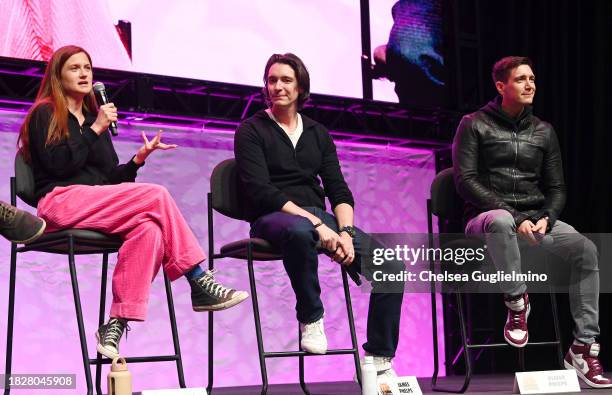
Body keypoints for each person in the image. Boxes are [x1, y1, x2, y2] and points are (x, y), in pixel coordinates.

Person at [17, 45, 248, 359]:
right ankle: (197, 278)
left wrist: (137, 161)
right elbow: (59, 166)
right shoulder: (46, 112)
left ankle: (116, 321)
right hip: (60, 204)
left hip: (94, 204)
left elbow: (110, 180)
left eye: (87, 67)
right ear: (58, 76)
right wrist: (96, 128)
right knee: (156, 195)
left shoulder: (91, 115)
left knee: (150, 229)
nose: (84, 74)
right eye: (75, 68)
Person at [234, 53, 405, 382]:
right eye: (272, 80)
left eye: (286, 80)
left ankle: (380, 358)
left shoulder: (317, 133)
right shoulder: (251, 130)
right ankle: (311, 315)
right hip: (272, 218)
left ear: (300, 87)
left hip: (320, 218)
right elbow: (261, 191)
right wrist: (317, 226)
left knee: (392, 267)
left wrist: (346, 233)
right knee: (301, 230)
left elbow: (339, 190)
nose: (278, 86)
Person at [453, 56, 611, 388]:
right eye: (522, 79)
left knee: (586, 250)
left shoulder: (544, 131)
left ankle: (583, 348)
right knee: (500, 221)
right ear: (501, 86)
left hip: (535, 222)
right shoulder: (474, 123)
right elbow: (465, 181)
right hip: (486, 221)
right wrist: (517, 217)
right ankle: (517, 302)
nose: (530, 85)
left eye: (533, 79)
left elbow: (556, 188)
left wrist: (546, 218)